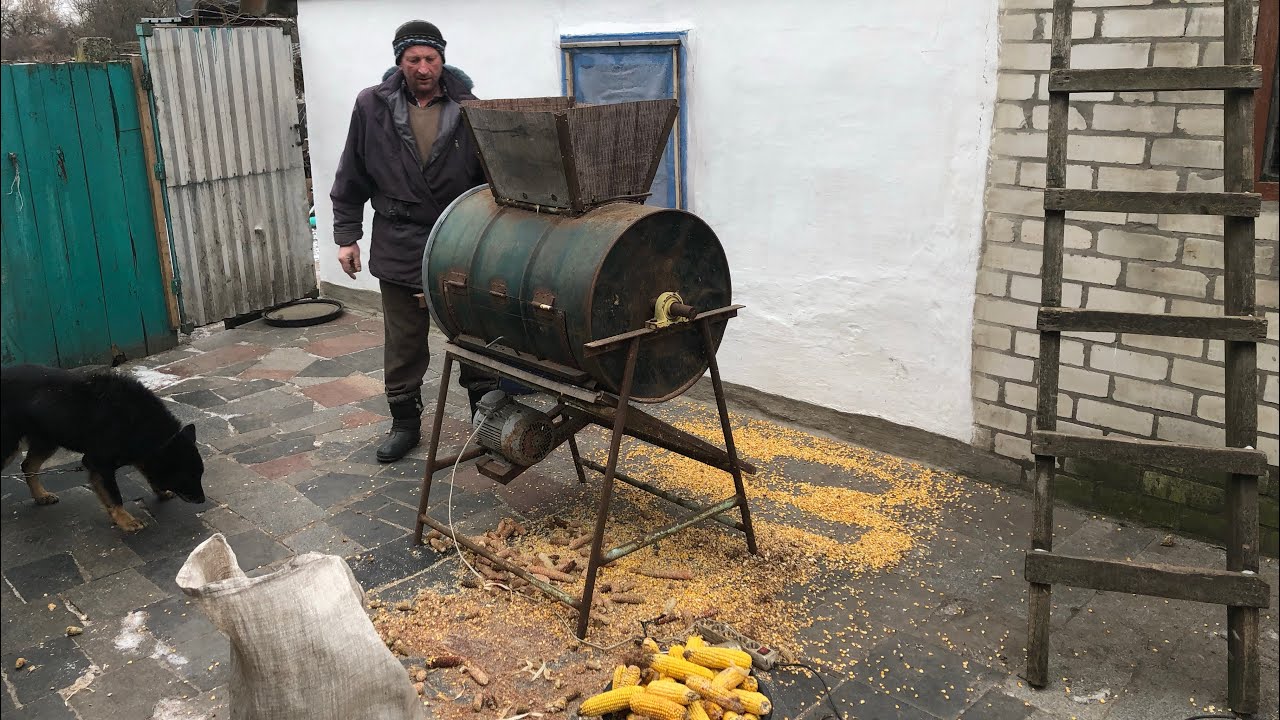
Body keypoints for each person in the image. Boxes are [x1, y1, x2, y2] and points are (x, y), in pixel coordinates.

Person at [330, 20, 491, 463]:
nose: (423, 68)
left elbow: (492, 179)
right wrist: (347, 237)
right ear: (399, 62)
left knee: (472, 333)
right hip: (398, 239)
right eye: (413, 59)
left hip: (458, 240)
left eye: (431, 59)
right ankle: (405, 425)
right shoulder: (372, 106)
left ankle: (487, 419)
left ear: (443, 58)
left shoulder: (469, 107)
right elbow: (351, 176)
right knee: (403, 341)